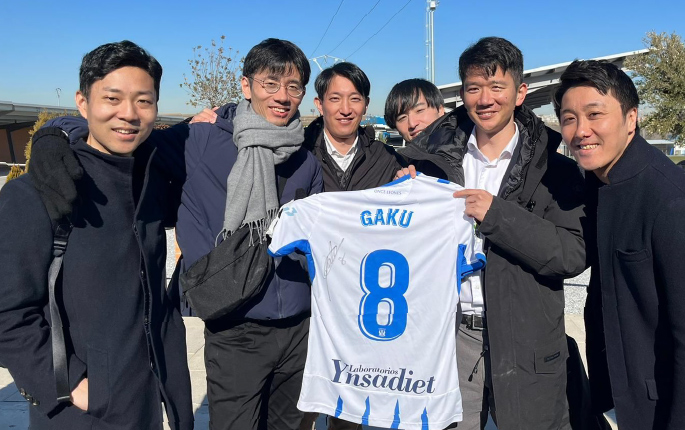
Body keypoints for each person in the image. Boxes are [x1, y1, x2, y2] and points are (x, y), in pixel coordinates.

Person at [29, 38, 323, 430]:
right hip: (236, 325)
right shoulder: (200, 141)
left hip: (299, 326)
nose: (283, 97)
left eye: (294, 86)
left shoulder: (305, 158)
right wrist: (55, 133)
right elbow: (120, 132)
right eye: (271, 84)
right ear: (246, 85)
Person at [0, 41, 193, 429]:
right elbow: (8, 312)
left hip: (149, 397)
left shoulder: (152, 181)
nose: (129, 114)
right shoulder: (40, 191)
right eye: (113, 98)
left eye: (144, 101)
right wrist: (66, 383)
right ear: (83, 103)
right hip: (80, 409)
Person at [397, 37, 586, 430]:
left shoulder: (557, 172)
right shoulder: (429, 165)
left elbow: (570, 255)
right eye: (473, 88)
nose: (485, 99)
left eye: (496, 87)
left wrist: (497, 215)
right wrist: (405, 195)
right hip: (450, 338)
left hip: (527, 341)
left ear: (520, 93)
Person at [554, 60, 685, 430]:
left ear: (631, 119)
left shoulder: (669, 199)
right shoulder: (599, 183)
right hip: (625, 395)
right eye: (568, 118)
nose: (581, 131)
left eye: (595, 114)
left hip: (663, 405)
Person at [384, 78, 445, 143]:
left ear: (440, 110)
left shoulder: (456, 148)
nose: (412, 124)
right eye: (402, 118)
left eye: (419, 110)